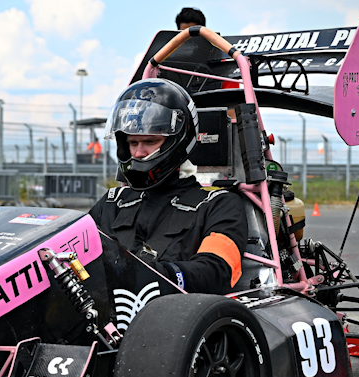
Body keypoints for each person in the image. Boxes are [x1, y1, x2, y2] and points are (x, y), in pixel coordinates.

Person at [89, 79, 247, 294]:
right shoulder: (112, 202)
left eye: (150, 142)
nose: (139, 153)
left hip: (175, 310)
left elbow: (216, 271)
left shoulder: (219, 205)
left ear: (177, 141)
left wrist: (151, 276)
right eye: (133, 143)